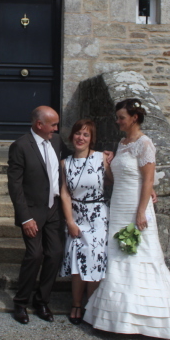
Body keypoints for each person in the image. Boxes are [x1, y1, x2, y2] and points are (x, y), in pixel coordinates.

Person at [84, 98, 170, 340]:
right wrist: (106, 162)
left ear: (134, 118)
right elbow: (115, 179)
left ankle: (148, 321)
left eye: (121, 118)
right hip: (118, 205)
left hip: (135, 207)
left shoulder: (145, 143)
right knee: (117, 256)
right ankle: (115, 319)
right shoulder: (122, 143)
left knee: (141, 255)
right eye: (117, 118)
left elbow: (148, 180)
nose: (117, 122)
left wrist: (141, 212)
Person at [7, 106, 68, 325]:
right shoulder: (20, 146)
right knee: (34, 255)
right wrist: (25, 218)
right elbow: (15, 185)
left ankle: (42, 301)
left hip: (54, 209)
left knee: (55, 253)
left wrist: (101, 155)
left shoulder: (57, 141)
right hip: (32, 211)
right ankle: (21, 302)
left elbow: (74, 158)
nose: (56, 128)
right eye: (53, 124)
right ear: (39, 124)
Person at [59, 119, 111, 325]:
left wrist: (148, 190)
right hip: (77, 217)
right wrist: (70, 222)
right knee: (77, 260)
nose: (81, 138)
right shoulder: (65, 163)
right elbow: (65, 194)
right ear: (72, 136)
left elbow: (121, 181)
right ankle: (76, 304)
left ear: (92, 139)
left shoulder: (102, 158)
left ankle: (92, 305)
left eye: (86, 134)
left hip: (98, 216)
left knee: (95, 259)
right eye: (78, 133)